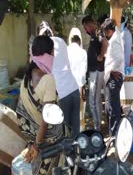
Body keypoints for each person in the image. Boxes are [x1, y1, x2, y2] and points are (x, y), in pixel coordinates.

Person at [15, 36, 67, 174]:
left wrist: (33, 142)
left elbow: (22, 110)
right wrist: (38, 145)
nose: (54, 55)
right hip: (45, 139)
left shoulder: (27, 76)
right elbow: (46, 119)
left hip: (31, 133)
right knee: (65, 135)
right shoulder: (48, 79)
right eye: (52, 52)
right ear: (48, 54)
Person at [38, 21, 80, 137]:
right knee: (75, 128)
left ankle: (67, 154)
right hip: (73, 88)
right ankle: (76, 152)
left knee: (64, 129)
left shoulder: (43, 49)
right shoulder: (60, 41)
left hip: (62, 93)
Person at [82, 15, 108, 130]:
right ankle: (97, 126)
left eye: (85, 27)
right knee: (96, 99)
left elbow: (105, 43)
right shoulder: (95, 33)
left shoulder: (97, 32)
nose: (85, 30)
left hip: (96, 71)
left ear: (89, 25)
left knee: (93, 99)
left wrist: (101, 56)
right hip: (95, 70)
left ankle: (96, 126)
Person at [102, 18, 124, 136]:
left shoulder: (115, 40)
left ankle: (114, 135)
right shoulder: (117, 36)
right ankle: (114, 133)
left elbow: (119, 58)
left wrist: (111, 70)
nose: (105, 35)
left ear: (109, 30)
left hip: (114, 77)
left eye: (106, 32)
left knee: (113, 108)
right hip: (115, 76)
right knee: (113, 106)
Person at [67, 29, 87, 131]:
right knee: (79, 113)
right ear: (79, 42)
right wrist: (82, 89)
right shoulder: (83, 52)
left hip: (66, 88)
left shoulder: (65, 51)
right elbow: (83, 73)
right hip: (78, 87)